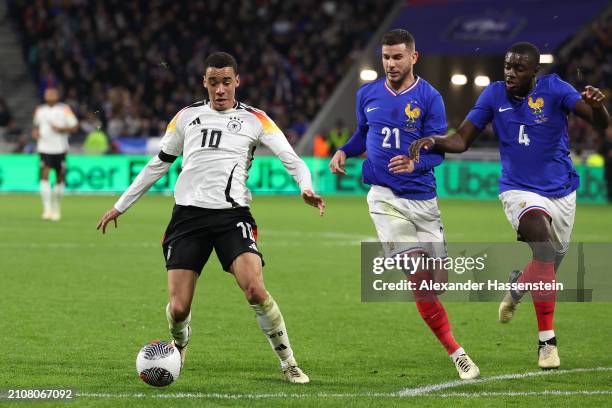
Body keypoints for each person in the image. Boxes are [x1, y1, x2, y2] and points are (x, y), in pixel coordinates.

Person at [96, 52, 324, 384]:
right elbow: (158, 164)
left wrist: (306, 186)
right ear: (204, 82)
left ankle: (288, 362)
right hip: (188, 219)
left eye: (226, 82)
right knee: (178, 308)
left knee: (255, 290)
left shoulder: (255, 119)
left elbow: (291, 158)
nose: (220, 89)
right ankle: (179, 345)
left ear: (237, 81)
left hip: (232, 217)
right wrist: (121, 205)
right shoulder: (186, 117)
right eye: (213, 82)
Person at [407, 42, 609, 369]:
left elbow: (599, 122)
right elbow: (461, 140)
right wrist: (436, 140)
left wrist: (598, 107)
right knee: (543, 250)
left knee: (548, 263)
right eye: (507, 66)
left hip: (561, 191)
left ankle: (518, 286)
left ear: (534, 72)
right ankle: (547, 343)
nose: (510, 73)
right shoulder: (493, 95)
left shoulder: (556, 88)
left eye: (518, 68)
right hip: (518, 191)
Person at [329, 29, 480, 380]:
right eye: (385, 57)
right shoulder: (367, 93)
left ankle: (443, 319)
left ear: (414, 57)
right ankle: (457, 352)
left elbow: (439, 154)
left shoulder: (430, 98)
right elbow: (362, 133)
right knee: (420, 278)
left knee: (437, 283)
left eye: (397, 57)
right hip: (384, 197)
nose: (391, 64)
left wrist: (417, 163)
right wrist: (343, 150)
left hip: (423, 200)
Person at [32, 87, 79, 221]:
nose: (50, 95)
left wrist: (62, 128)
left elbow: (74, 126)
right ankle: (46, 209)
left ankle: (56, 207)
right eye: (48, 93)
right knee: (44, 175)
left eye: (53, 93)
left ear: (57, 95)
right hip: (44, 148)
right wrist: (35, 133)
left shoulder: (64, 109)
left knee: (59, 176)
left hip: (60, 148)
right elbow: (36, 126)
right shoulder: (40, 110)